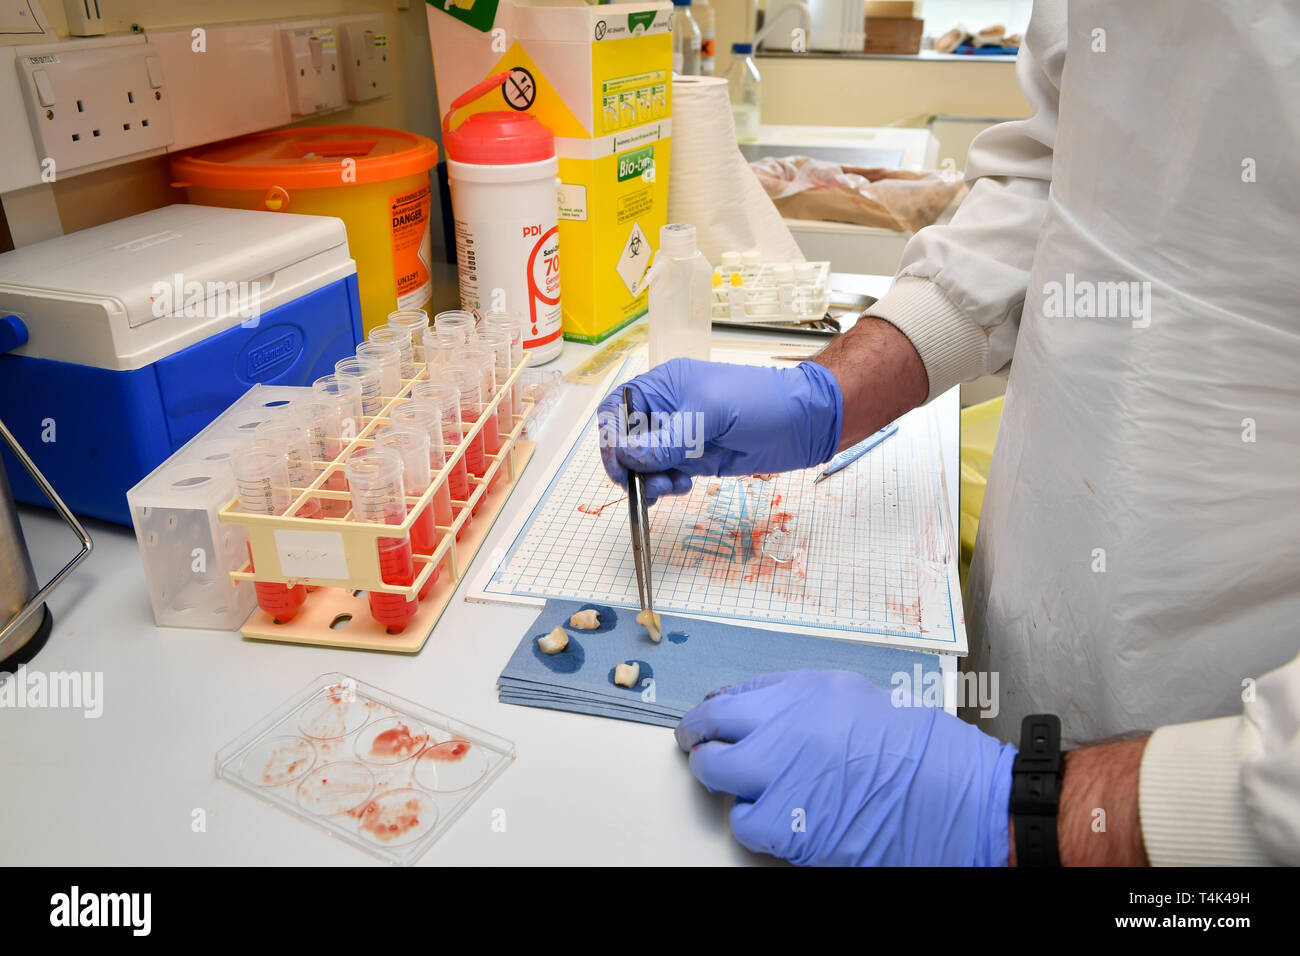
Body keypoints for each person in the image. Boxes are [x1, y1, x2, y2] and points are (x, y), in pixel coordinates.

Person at [597, 0, 1299, 866]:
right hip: (1042, 601)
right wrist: (829, 394)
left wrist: (1022, 815)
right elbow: (1058, 171)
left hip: (1231, 723)